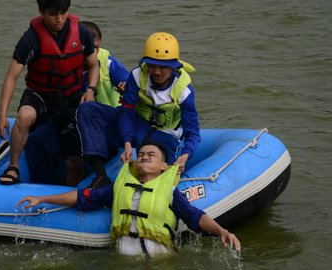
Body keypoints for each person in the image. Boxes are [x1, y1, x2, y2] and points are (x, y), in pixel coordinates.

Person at [17, 142, 241, 257]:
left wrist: (221, 231)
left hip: (159, 260)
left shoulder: (170, 192)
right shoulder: (118, 189)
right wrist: (43, 198)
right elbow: (83, 197)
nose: (143, 156)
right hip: (124, 259)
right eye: (141, 154)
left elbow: (194, 216)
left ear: (164, 167)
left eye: (150, 155)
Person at [76, 32, 201, 188]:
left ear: (173, 67)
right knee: (88, 109)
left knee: (155, 170)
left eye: (163, 67)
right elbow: (126, 112)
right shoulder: (137, 75)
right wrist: (127, 142)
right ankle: (101, 175)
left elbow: (193, 131)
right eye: (152, 65)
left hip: (165, 135)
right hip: (137, 125)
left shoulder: (184, 91)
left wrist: (186, 155)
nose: (156, 72)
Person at [0, 0, 99, 186]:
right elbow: (11, 78)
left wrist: (91, 89)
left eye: (63, 12)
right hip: (40, 93)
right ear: (42, 11)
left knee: (74, 162)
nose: (59, 19)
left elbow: (93, 65)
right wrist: (2, 115)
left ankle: (70, 194)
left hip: (71, 97)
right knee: (25, 115)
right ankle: (13, 167)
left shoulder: (82, 33)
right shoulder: (30, 39)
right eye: (53, 14)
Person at [80, 21, 129, 107]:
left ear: (100, 42)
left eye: (95, 47)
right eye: (88, 48)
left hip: (109, 112)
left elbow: (128, 81)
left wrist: (124, 86)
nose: (93, 52)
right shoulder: (68, 61)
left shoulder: (108, 63)